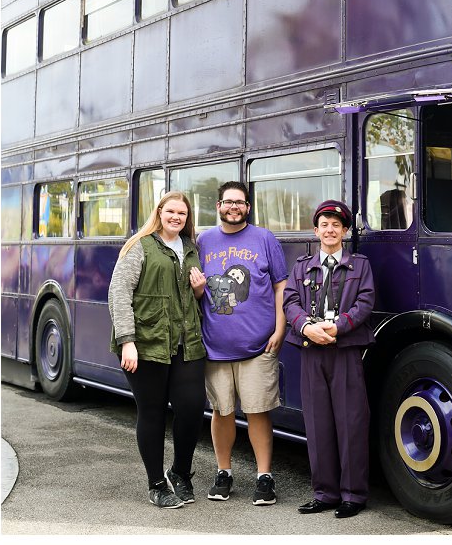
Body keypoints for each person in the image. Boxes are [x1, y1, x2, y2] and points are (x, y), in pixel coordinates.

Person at [108, 190, 207, 509]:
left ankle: (179, 473)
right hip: (146, 345)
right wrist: (127, 341)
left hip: (186, 344)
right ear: (159, 212)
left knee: (192, 409)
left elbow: (190, 297)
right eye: (171, 211)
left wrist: (199, 291)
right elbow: (119, 292)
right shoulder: (141, 246)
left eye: (182, 213)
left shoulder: (191, 248)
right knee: (151, 413)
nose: (177, 217)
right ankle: (156, 485)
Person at [196, 182, 288, 507]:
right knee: (221, 411)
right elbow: (198, 292)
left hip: (259, 347)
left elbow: (281, 287)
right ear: (218, 205)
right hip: (215, 347)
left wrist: (280, 328)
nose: (234, 207)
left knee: (258, 411)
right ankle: (224, 472)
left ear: (247, 207)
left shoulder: (265, 239)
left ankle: (265, 477)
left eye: (240, 202)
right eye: (228, 202)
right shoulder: (204, 240)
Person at [284, 201, 375, 518]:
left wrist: (338, 327)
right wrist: (307, 327)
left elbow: (365, 301)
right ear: (316, 230)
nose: (330, 229)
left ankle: (353, 494)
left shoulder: (359, 266)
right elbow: (291, 302)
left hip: (345, 350)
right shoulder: (301, 266)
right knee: (317, 423)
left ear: (345, 231)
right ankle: (325, 493)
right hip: (312, 350)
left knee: (351, 422)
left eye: (337, 224)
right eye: (325, 224)